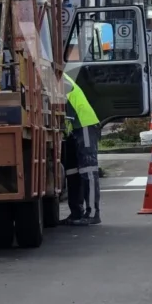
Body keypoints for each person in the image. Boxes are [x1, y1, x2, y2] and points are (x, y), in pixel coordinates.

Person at [63, 74, 102, 225]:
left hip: (84, 124)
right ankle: (76, 212)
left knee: (88, 170)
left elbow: (65, 88)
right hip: (73, 129)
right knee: (72, 172)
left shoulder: (57, 75)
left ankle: (92, 212)